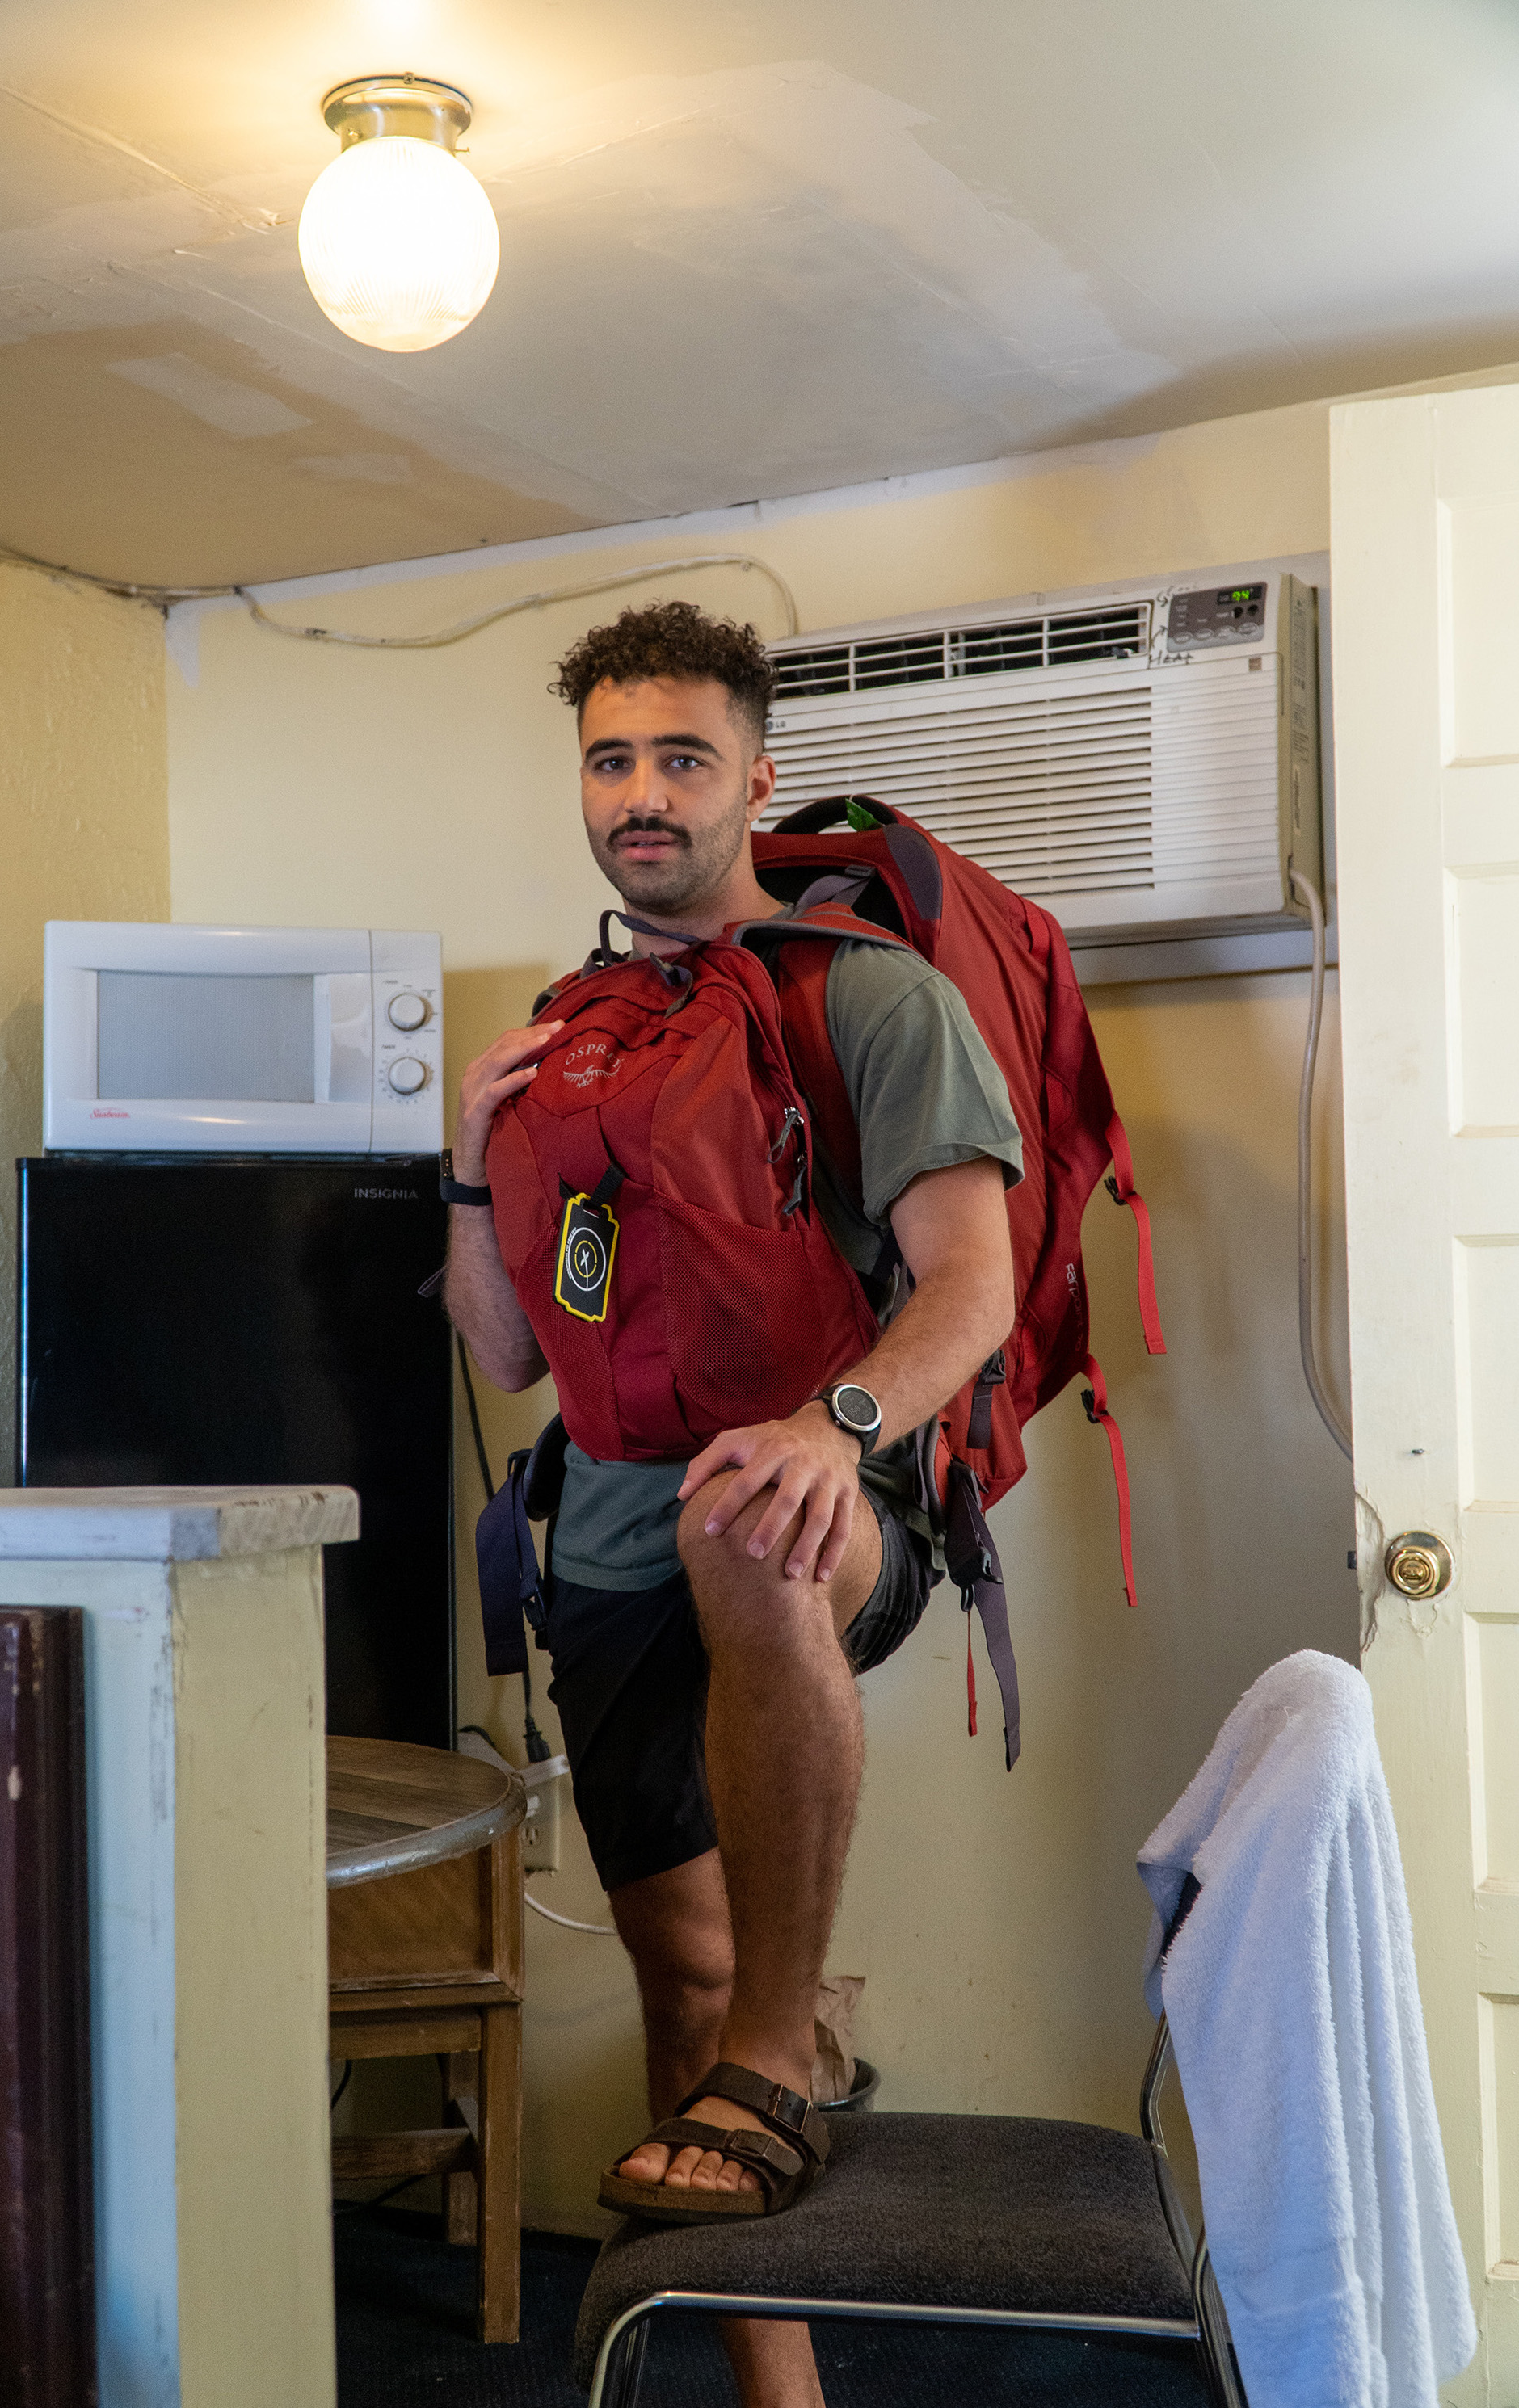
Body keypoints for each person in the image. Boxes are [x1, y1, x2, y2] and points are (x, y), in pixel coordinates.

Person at [444, 600, 1020, 2408]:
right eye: (610, 758)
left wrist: (828, 1429)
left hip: (820, 1503)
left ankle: (794, 2037)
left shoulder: (870, 998)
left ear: (752, 782)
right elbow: (510, 1360)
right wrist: (470, 1172)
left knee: (735, 1522)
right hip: (604, 1543)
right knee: (671, 1978)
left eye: (679, 756)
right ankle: (781, 2381)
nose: (639, 791)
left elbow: (969, 1289)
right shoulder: (573, 1036)